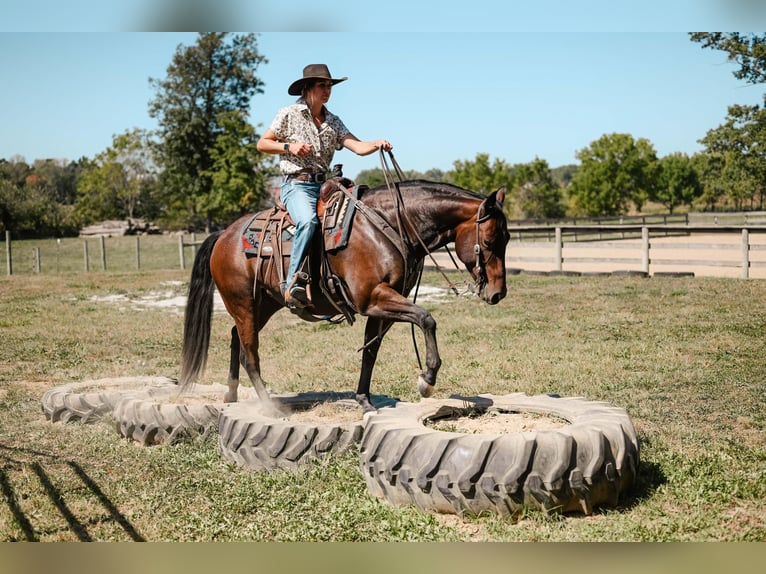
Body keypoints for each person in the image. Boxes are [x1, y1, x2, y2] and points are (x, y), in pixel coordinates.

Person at [257, 63, 393, 309]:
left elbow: (358, 147)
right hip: (297, 185)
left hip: (325, 187)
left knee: (354, 224)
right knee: (308, 221)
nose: (327, 90)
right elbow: (263, 143)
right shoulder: (289, 114)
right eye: (322, 85)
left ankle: (332, 286)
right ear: (308, 87)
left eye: (330, 85)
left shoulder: (333, 121)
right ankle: (292, 284)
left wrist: (377, 144)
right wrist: (289, 147)